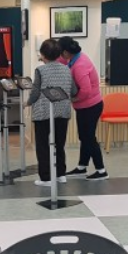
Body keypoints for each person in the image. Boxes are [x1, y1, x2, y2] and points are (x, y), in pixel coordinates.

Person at [28, 38, 78, 186]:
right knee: (59, 144)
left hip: (43, 112)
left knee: (43, 146)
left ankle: (46, 178)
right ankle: (61, 175)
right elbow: (73, 91)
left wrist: (27, 103)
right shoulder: (67, 69)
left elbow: (35, 92)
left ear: (43, 54)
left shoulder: (40, 70)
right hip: (63, 111)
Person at [59, 36, 107, 181]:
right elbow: (61, 61)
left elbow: (85, 90)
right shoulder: (75, 58)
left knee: (89, 138)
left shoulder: (79, 65)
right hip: (85, 107)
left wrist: (72, 99)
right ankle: (82, 167)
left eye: (60, 52)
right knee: (84, 137)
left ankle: (101, 170)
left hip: (91, 107)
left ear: (66, 52)